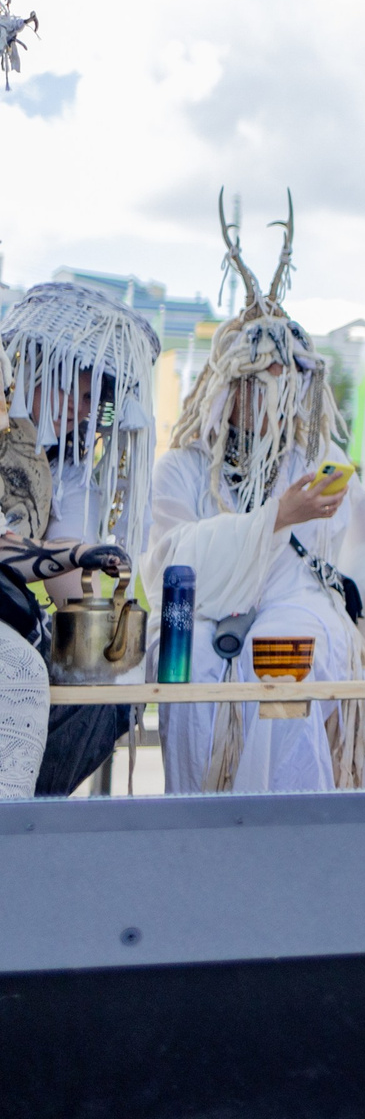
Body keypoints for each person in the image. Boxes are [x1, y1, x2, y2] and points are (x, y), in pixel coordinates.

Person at [142, 210, 365, 796]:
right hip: (201, 621)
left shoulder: (314, 461)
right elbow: (168, 563)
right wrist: (276, 519)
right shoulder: (181, 469)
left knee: (286, 655)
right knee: (198, 669)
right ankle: (200, 825)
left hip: (297, 611)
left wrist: (360, 600)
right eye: (251, 381)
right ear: (221, 385)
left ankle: (292, 826)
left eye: (280, 382)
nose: (264, 397)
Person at [0, 282, 161, 797]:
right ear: (42, 370)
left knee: (111, 683)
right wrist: (72, 554)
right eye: (78, 390)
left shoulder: (64, 469)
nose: (85, 410)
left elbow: (76, 589)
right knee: (23, 668)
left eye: (97, 400)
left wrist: (111, 626)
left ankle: (28, 821)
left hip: (14, 622)